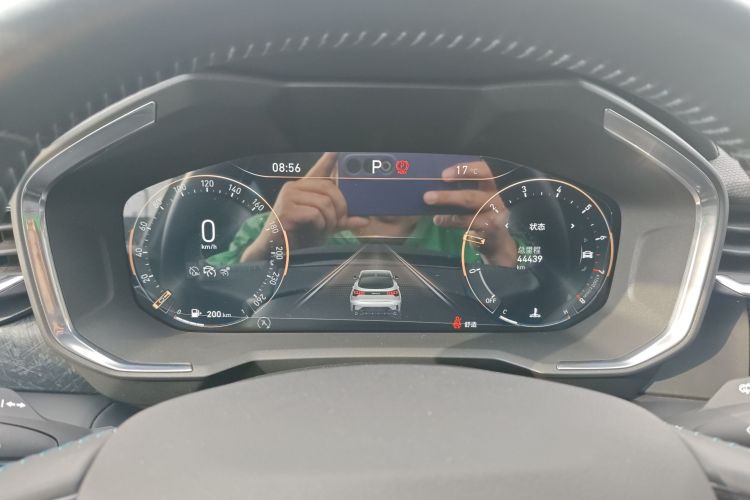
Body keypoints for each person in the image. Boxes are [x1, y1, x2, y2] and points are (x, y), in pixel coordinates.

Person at [208, 152, 517, 267]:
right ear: (334, 159)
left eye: (407, 159)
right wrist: (269, 248)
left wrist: (498, 248)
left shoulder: (472, 228)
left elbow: (532, 284)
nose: (390, 170)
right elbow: (209, 288)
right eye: (369, 158)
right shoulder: (274, 226)